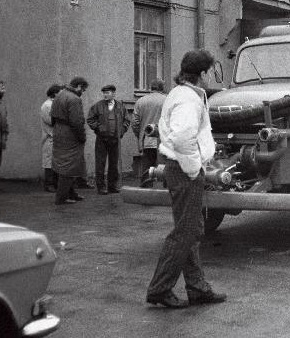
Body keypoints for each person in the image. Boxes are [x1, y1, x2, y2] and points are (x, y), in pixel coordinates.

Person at [147, 50, 226, 309]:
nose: (211, 76)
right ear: (202, 74)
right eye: (210, 72)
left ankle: (197, 288)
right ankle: (160, 289)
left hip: (180, 167)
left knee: (192, 230)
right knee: (185, 232)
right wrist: (194, 169)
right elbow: (182, 138)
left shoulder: (184, 94)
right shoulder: (187, 100)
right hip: (184, 170)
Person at [87, 84, 131, 195]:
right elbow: (90, 119)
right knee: (100, 164)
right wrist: (99, 129)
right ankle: (101, 187)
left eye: (107, 93)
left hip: (115, 140)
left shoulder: (120, 106)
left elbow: (126, 120)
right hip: (102, 139)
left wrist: (122, 131)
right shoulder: (98, 106)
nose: (105, 95)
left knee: (113, 164)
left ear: (114, 93)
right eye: (104, 93)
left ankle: (112, 186)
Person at [52, 77, 89, 205]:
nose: (82, 92)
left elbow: (52, 116)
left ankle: (71, 193)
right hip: (70, 135)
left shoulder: (60, 94)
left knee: (63, 164)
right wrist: (82, 137)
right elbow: (77, 122)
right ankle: (61, 197)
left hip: (58, 132)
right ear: (78, 86)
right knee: (69, 166)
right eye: (82, 89)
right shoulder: (74, 99)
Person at [132, 78, 167, 183]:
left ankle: (144, 190)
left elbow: (135, 123)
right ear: (162, 88)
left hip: (146, 141)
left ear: (150, 88)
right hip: (163, 141)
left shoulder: (141, 101)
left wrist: (141, 135)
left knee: (147, 169)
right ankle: (162, 192)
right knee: (163, 169)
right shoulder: (167, 100)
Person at [41, 84, 63, 192]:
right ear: (55, 93)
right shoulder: (47, 105)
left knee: (54, 161)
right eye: (60, 92)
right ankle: (48, 184)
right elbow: (51, 121)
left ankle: (54, 183)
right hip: (49, 137)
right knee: (49, 162)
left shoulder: (54, 104)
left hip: (56, 137)